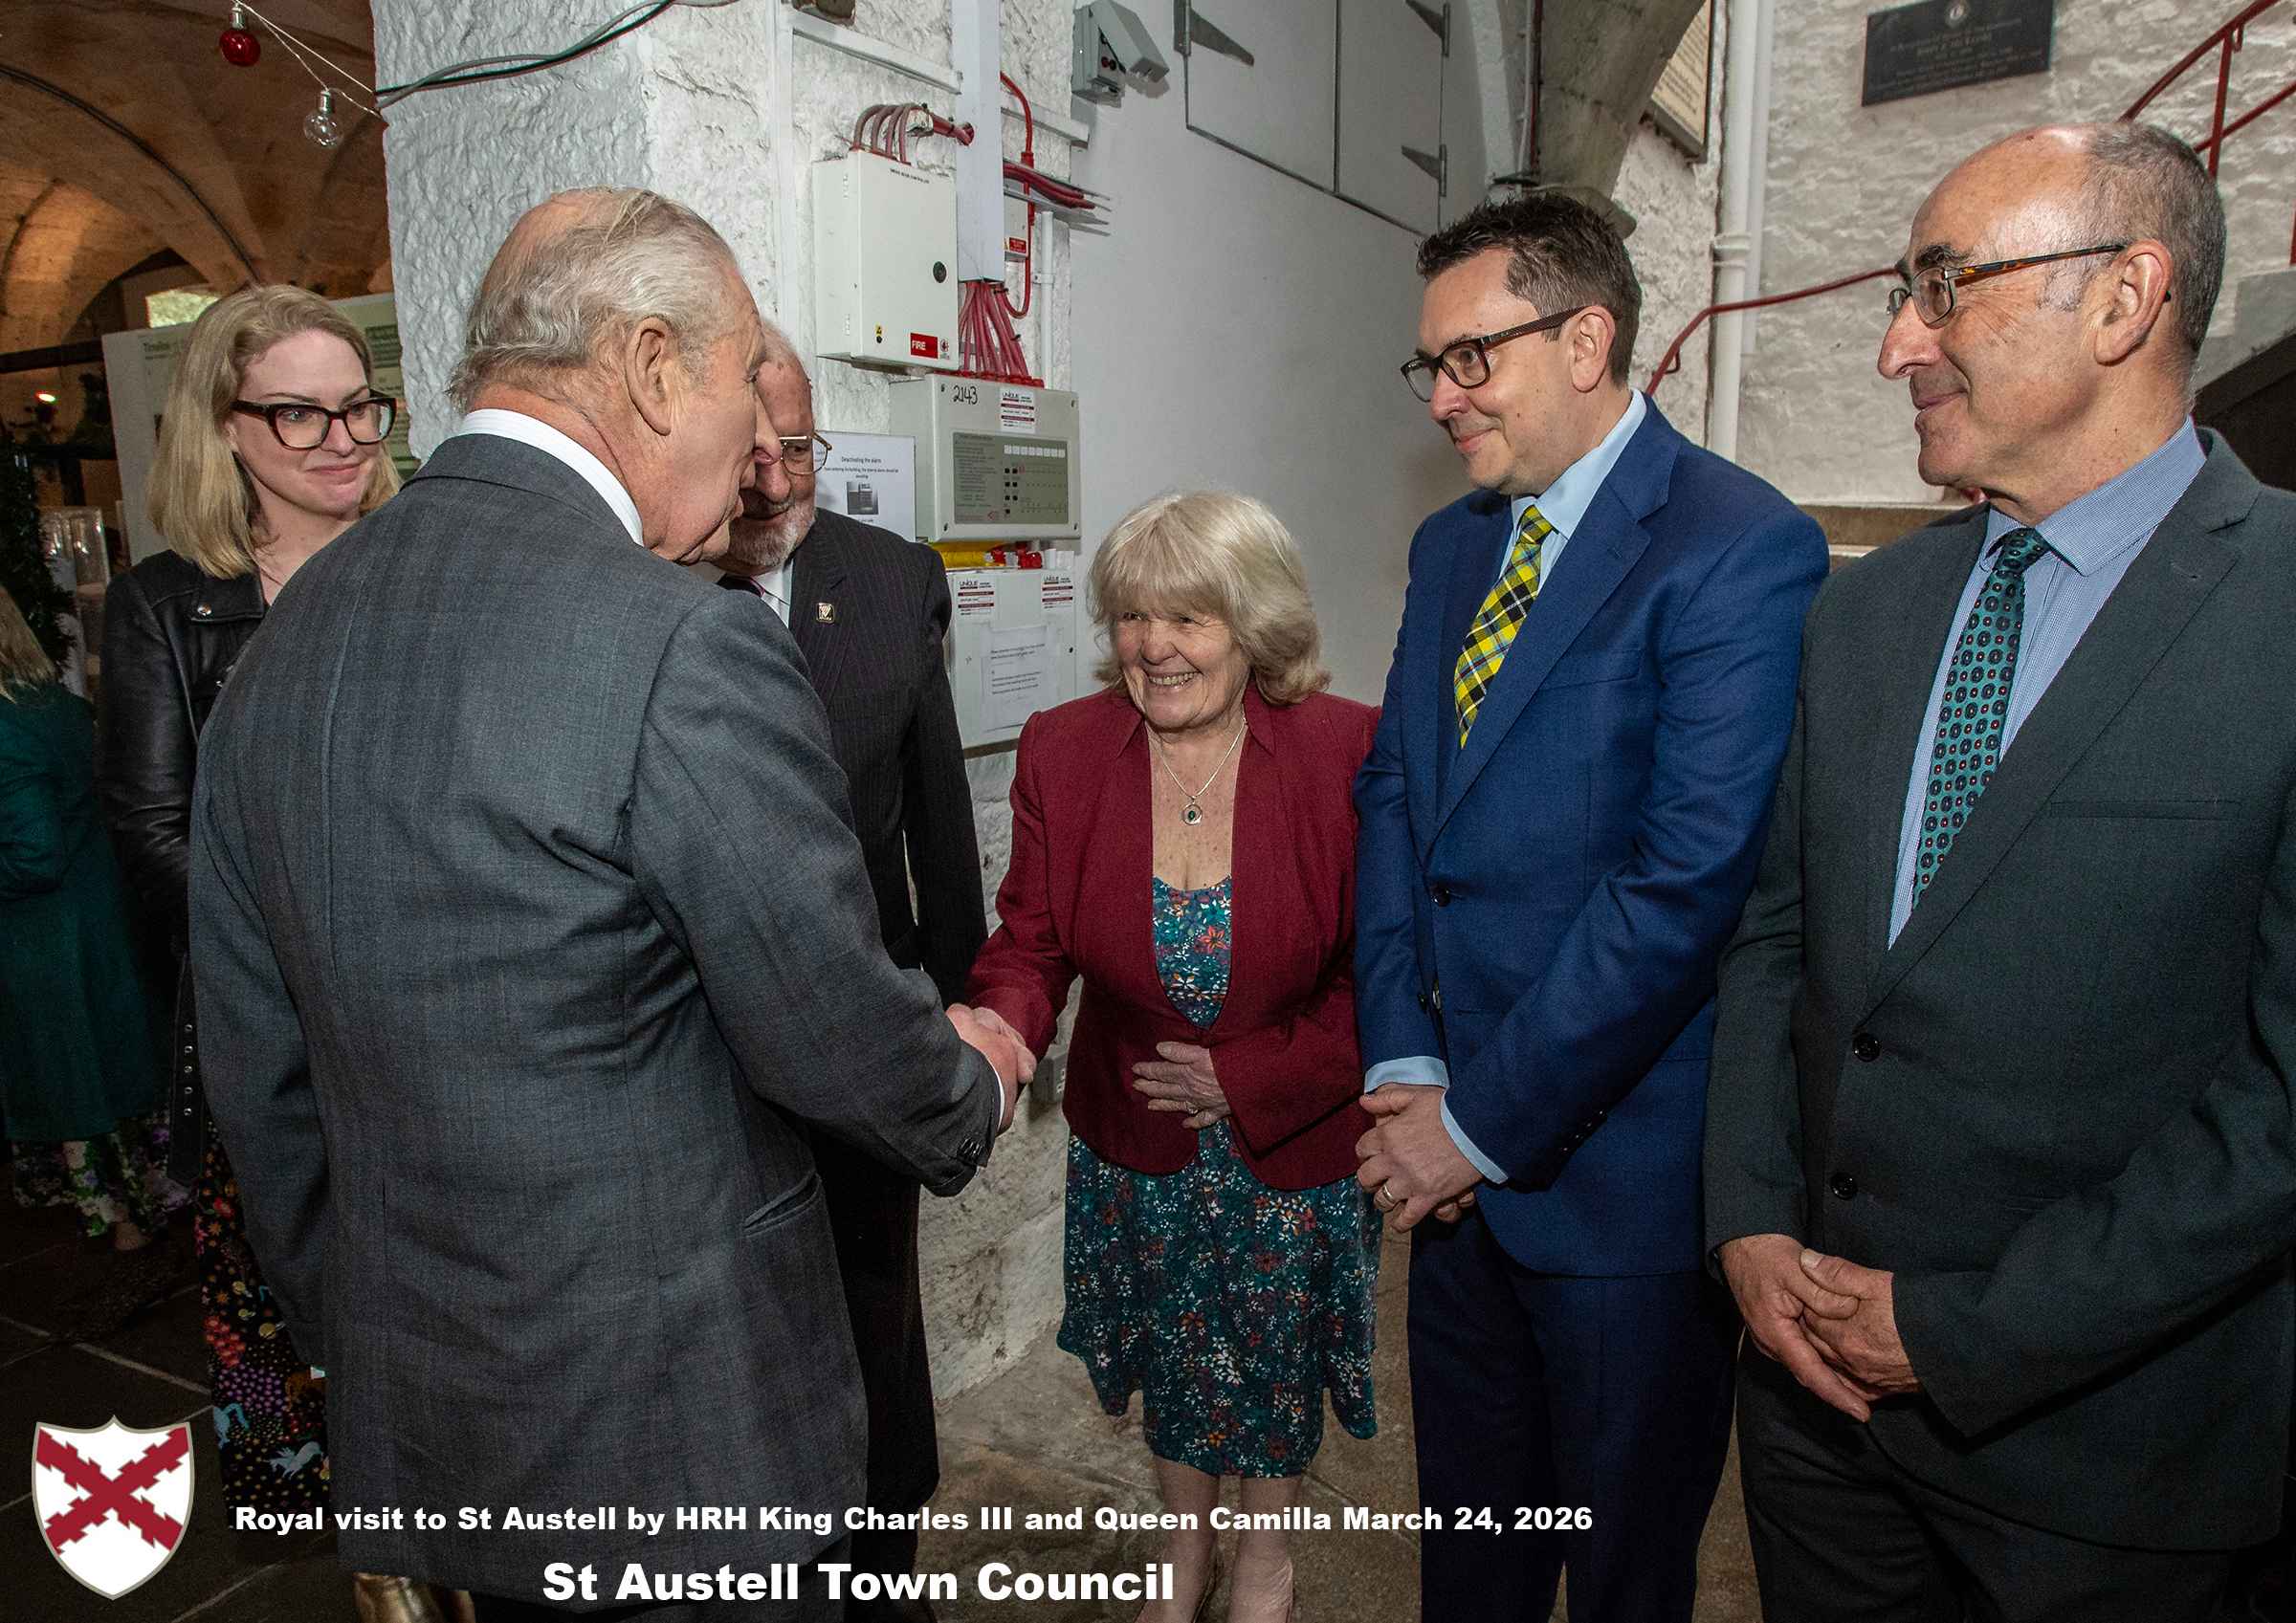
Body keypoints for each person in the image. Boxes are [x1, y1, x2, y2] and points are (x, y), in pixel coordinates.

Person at [188, 187, 1029, 1622]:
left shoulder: (284, 644)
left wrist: (392, 1335)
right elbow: (827, 1025)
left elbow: (263, 1094)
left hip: (448, 1434)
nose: (762, 450)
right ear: (648, 366)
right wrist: (975, 1078)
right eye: (734, 382)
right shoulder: (678, 646)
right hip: (688, 1447)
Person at [1705, 121, 2296, 1623]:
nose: (1901, 339)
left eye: (1944, 283)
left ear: (2123, 301)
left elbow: (2284, 1101)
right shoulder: (1869, 608)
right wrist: (1750, 1217)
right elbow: (1776, 940)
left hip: (2113, 1468)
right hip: (1814, 1424)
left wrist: (1972, 1332)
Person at [1352, 192, 1826, 1623]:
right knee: (1474, 1566)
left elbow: (1682, 885)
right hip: (1451, 1187)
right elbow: (1395, 805)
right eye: (1427, 367)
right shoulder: (1452, 549)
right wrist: (1404, 1058)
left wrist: (1477, 1123)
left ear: (1588, 338)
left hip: (1617, 1194)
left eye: (1469, 359)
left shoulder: (1737, 545)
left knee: (1624, 1577)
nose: (1441, 398)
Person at [967, 492, 1379, 1623]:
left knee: (1271, 1370)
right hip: (1133, 1144)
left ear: (1256, 627)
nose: (1156, 645)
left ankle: (1264, 1568)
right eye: (1134, 616)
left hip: (1291, 1142)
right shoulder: (1064, 746)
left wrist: (1252, 1076)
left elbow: (1390, 974)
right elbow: (1030, 941)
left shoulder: (1348, 749)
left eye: (1191, 617)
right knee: (1175, 1363)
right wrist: (1000, 1028)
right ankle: (1183, 1559)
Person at [99, 286, 419, 1592]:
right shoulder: (167, 606)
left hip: (427, 1033)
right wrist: (329, 964)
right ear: (224, 427)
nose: (342, 438)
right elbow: (153, 840)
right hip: (266, 1045)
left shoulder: (419, 571)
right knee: (296, 1332)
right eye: (299, 413)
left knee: (429, 1330)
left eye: (357, 406)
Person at [715, 347, 985, 1621]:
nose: (774, 480)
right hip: (706, 1042)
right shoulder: (655, 580)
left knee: (877, 1297)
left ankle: (886, 1563)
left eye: (800, 451)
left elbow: (939, 812)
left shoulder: (891, 580)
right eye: (750, 454)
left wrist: (958, 1002)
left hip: (870, 1013)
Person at [0, 585, 176, 1323]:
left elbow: (32, 850)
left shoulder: (4, 724)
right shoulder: (57, 706)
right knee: (118, 1076)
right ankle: (146, 1212)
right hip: (102, 920)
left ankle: (118, 1225)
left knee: (80, 1085)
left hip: (49, 937)